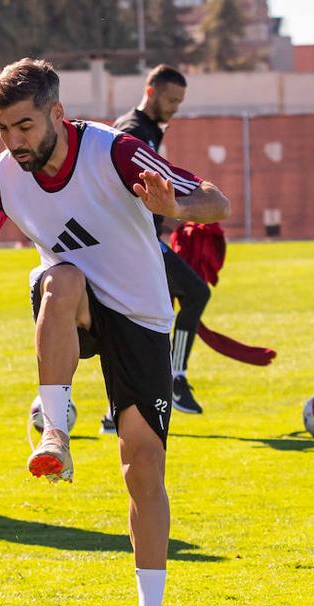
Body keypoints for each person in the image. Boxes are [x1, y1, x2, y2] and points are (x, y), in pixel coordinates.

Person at [0, 59, 230, 606]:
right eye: (4, 129)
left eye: (25, 126)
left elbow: (216, 200)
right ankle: (55, 428)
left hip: (140, 318)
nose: (15, 141)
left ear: (57, 114)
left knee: (144, 468)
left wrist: (177, 206)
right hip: (76, 307)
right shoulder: (3, 175)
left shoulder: (117, 152)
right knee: (58, 277)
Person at [106, 64, 211, 424]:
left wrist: (166, 222)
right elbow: (121, 191)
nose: (175, 107)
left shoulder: (148, 129)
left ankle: (116, 409)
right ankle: (175, 380)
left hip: (145, 243)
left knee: (136, 322)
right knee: (192, 296)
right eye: (170, 100)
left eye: (180, 101)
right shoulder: (132, 131)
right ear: (150, 93)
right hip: (135, 249)